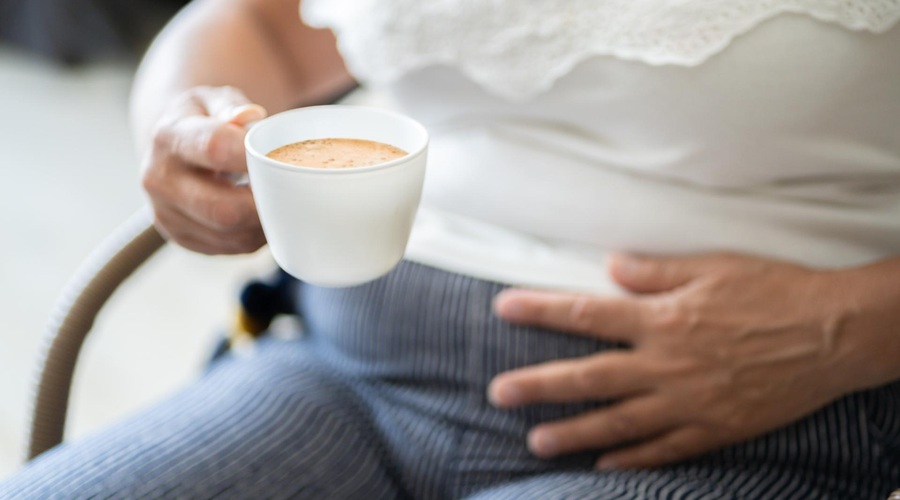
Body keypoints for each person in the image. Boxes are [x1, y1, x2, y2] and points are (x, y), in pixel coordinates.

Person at [3, 0, 900, 498]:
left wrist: (846, 329)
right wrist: (183, 118)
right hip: (354, 373)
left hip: (739, 434)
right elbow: (271, 22)